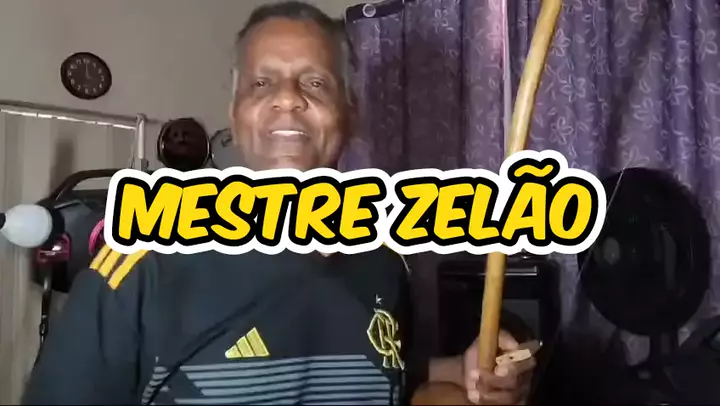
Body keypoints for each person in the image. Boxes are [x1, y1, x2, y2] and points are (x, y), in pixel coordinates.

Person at [22, 2, 536, 405]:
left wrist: (465, 371)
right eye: (262, 83)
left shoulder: (383, 259)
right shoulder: (141, 267)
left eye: (314, 82)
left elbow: (391, 372)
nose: (287, 98)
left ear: (349, 113)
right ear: (236, 113)